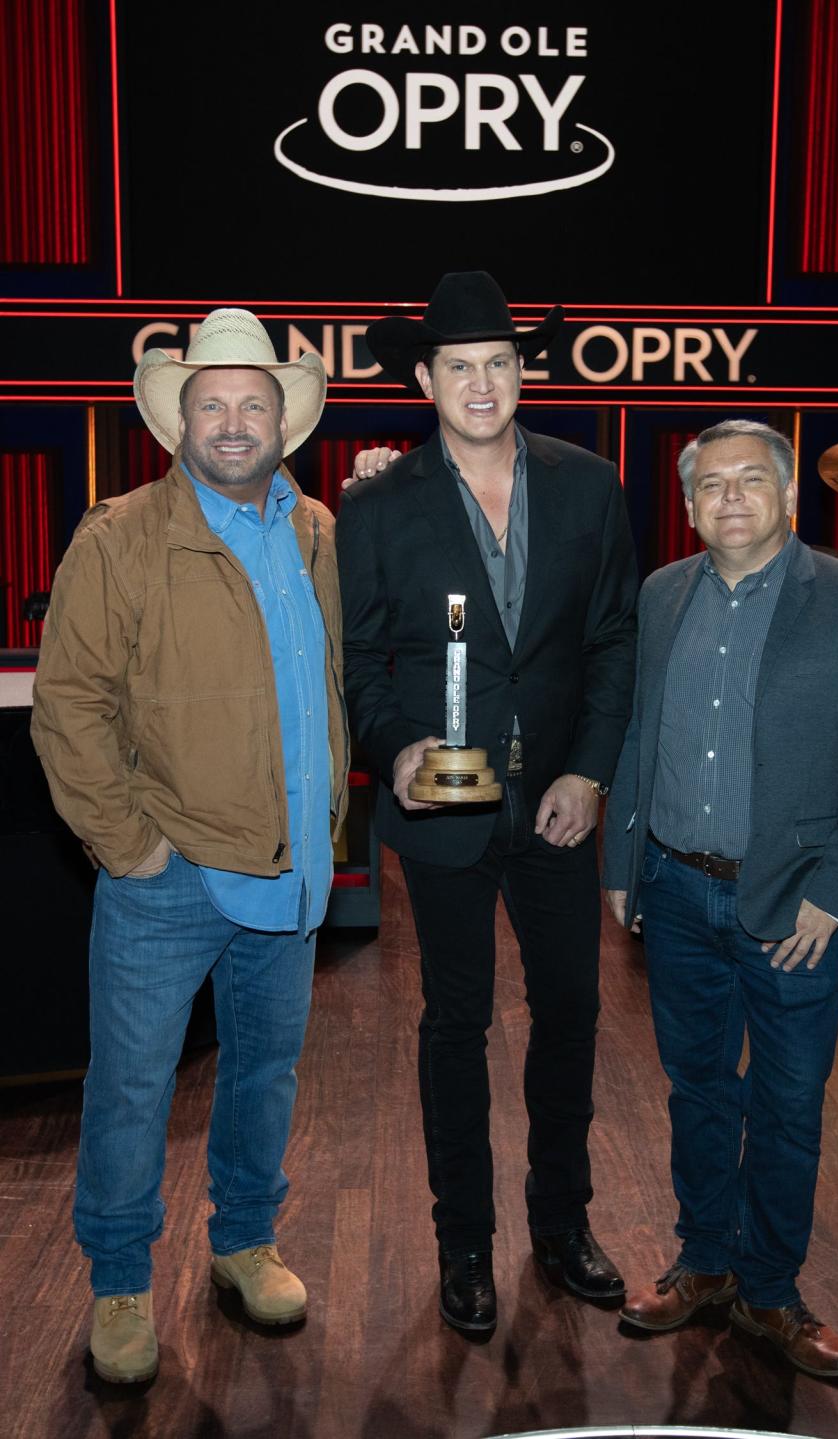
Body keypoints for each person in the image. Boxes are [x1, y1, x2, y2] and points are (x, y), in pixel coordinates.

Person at [31, 309, 349, 1383]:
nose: (231, 420)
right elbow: (68, 706)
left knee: (265, 1072)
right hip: (168, 878)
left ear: (281, 420)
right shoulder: (117, 536)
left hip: (292, 869)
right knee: (131, 1087)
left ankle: (245, 1242)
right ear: (178, 417)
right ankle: (120, 1283)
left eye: (251, 401)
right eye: (210, 401)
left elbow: (328, 688)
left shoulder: (315, 532)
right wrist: (133, 847)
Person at [336, 271, 638, 1333]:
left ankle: (563, 1226)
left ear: (523, 371)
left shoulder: (591, 486)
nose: (481, 381)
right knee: (453, 1025)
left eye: (499, 362)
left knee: (571, 1018)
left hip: (556, 812)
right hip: (443, 819)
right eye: (459, 365)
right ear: (424, 377)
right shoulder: (374, 503)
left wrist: (588, 771)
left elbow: (611, 644)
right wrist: (394, 744)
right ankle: (463, 1242)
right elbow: (360, 660)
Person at [603, 418, 838, 1379]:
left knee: (785, 1104)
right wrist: (621, 864)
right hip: (676, 887)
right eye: (710, 485)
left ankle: (772, 1290)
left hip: (794, 912)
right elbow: (638, 730)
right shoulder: (662, 595)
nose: (729, 496)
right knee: (697, 1088)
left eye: (750, 480)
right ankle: (704, 1263)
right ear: (691, 504)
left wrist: (837, 892)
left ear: (788, 496)